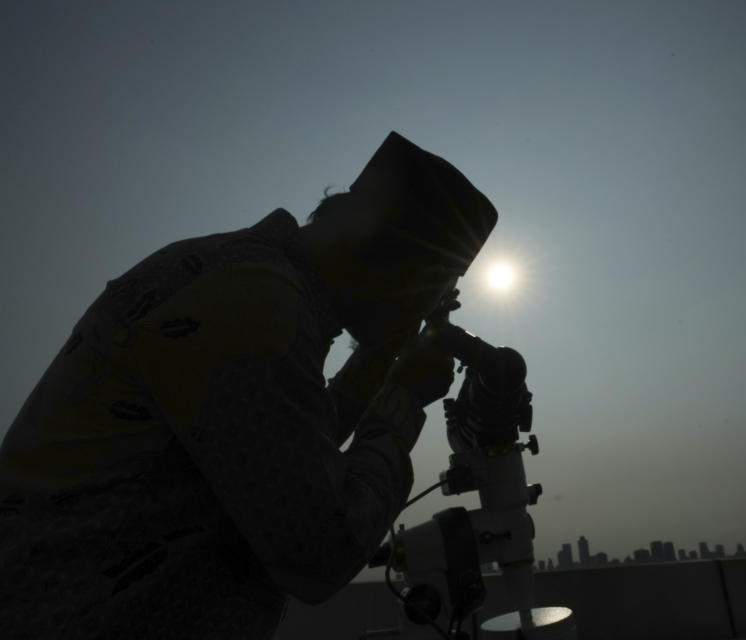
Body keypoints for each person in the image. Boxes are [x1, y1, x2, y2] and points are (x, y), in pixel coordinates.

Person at [0, 131, 498, 639]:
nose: (424, 313)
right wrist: (405, 399)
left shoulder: (255, 280)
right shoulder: (259, 308)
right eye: (428, 292)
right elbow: (321, 553)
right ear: (387, 257)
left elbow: (288, 447)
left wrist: (383, 354)